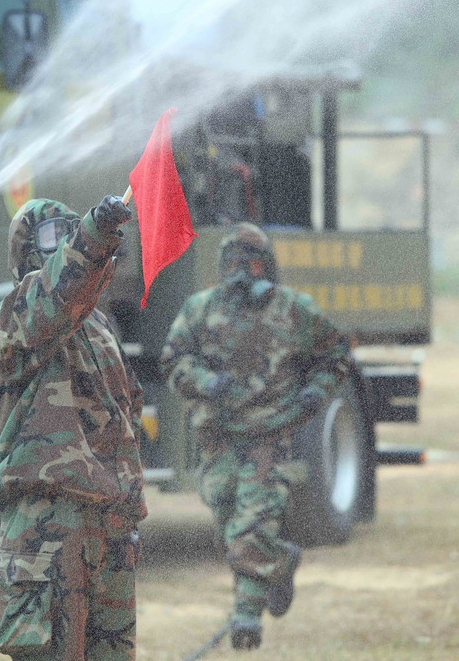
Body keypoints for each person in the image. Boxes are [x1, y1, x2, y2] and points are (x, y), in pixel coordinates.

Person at [159, 223, 351, 651]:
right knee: (227, 516)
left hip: (269, 435)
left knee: (250, 526)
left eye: (251, 261)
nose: (241, 271)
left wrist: (312, 394)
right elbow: (172, 361)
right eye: (233, 261)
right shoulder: (200, 309)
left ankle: (246, 619)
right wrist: (206, 382)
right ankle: (280, 561)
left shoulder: (293, 309)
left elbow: (335, 353)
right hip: (217, 438)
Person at [0, 196, 146, 661]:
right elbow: (59, 295)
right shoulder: (17, 315)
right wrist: (97, 231)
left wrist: (127, 507)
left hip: (107, 525)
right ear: (26, 252)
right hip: (47, 528)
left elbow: (126, 411)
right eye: (55, 236)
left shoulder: (100, 327)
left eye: (72, 233)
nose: (68, 244)